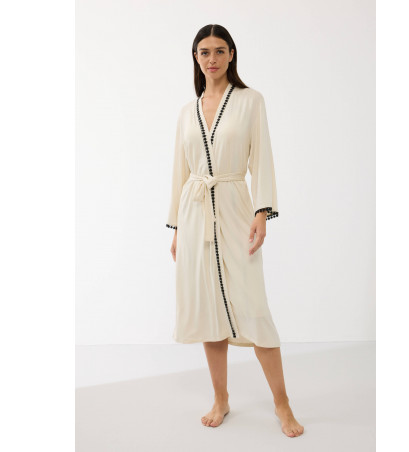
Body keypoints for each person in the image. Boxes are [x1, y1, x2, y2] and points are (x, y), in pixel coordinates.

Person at [166, 24, 304, 438]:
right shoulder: (187, 111)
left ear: (231, 55)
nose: (212, 59)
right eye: (204, 52)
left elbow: (262, 157)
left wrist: (262, 212)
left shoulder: (250, 101)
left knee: (254, 308)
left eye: (219, 51)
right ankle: (221, 398)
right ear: (195, 57)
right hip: (194, 215)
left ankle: (282, 403)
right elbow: (180, 172)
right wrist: (177, 228)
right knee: (209, 311)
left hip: (235, 208)